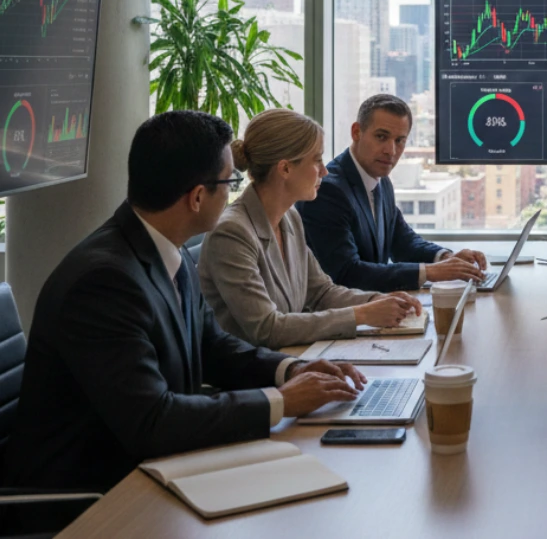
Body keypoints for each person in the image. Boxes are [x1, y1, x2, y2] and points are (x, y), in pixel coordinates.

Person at [2, 111, 366, 491]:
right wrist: (280, 402)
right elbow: (152, 420)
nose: (234, 193)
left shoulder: (161, 250)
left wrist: (290, 370)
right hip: (91, 497)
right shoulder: (103, 282)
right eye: (230, 182)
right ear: (196, 197)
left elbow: (212, 345)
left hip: (153, 466)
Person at [199, 109, 424, 349]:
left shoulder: (289, 217)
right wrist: (362, 315)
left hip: (295, 359)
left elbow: (320, 292)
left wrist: (377, 300)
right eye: (317, 160)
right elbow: (267, 329)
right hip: (253, 376)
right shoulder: (232, 233)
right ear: (285, 169)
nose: (325, 171)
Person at [300, 94, 487, 291]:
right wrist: (432, 272)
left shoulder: (381, 180)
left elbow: (402, 242)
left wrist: (446, 258)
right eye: (381, 137)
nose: (391, 150)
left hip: (377, 308)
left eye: (400, 140)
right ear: (356, 132)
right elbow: (346, 273)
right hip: (346, 315)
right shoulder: (328, 190)